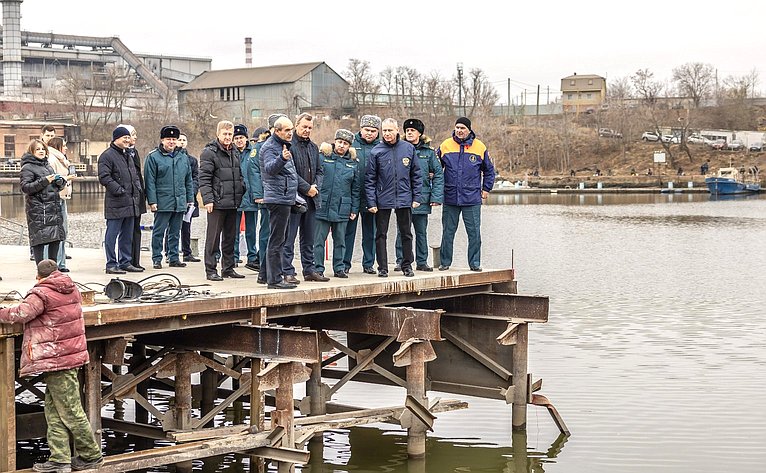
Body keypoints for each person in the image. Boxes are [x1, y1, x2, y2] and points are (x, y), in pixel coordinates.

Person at [0, 260, 103, 473]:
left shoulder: (41, 293)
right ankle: (60, 459)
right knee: (54, 411)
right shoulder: (71, 287)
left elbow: (21, 314)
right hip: (69, 356)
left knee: (71, 410)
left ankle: (92, 455)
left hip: (57, 359)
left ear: (39, 276)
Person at [436, 117, 496, 272]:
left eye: (462, 128)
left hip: (472, 198)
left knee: (474, 233)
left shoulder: (479, 147)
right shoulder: (445, 145)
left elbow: (489, 171)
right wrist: (435, 191)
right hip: (450, 197)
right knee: (448, 232)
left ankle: (474, 263)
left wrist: (486, 189)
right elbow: (435, 170)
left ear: (469, 129)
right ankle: (445, 262)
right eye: (457, 127)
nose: (459, 130)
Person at [365, 118, 422, 278]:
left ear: (397, 130)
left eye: (390, 130)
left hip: (404, 197)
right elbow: (370, 179)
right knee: (381, 234)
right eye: (384, 131)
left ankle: (407, 265)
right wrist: (371, 201)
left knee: (406, 233)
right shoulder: (376, 151)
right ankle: (382, 267)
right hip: (383, 198)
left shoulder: (408, 149)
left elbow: (416, 175)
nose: (387, 134)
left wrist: (417, 196)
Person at [394, 118, 443, 272]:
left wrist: (435, 197)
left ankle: (422, 262)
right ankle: (401, 260)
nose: (409, 133)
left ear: (419, 133)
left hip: (422, 198)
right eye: (407, 131)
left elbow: (438, 175)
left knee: (421, 232)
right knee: (402, 231)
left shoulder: (429, 153)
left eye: (412, 131)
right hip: (402, 198)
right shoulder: (398, 149)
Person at [199, 120, 246, 281]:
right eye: (225, 134)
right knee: (213, 238)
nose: (227, 137)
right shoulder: (209, 152)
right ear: (218, 134)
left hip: (233, 202)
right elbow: (204, 178)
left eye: (230, 134)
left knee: (230, 237)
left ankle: (228, 267)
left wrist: (242, 188)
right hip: (216, 202)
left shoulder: (235, 152)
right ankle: (210, 269)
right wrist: (208, 199)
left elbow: (239, 174)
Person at [284, 112, 328, 283]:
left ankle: (309, 270)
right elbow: (290, 172)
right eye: (304, 127)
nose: (307, 130)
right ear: (297, 126)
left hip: (312, 198)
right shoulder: (289, 146)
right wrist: (306, 188)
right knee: (289, 237)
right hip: (294, 199)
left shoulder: (313, 147)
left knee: (309, 237)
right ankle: (287, 270)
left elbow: (320, 170)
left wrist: (315, 187)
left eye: (310, 127)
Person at [144, 125, 194, 269]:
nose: (171, 142)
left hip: (179, 200)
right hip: (162, 200)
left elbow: (188, 180)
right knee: (159, 231)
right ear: (162, 140)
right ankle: (157, 258)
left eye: (174, 139)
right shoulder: (153, 157)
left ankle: (173, 257)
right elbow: (150, 181)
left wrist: (189, 199)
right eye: (168, 139)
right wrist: (152, 201)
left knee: (175, 232)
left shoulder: (183, 157)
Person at [314, 129, 361, 278]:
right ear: (335, 142)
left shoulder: (353, 163)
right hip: (323, 205)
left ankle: (339, 268)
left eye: (345, 143)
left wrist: (354, 208)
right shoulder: (323, 157)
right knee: (319, 240)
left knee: (340, 240)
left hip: (343, 207)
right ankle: (318, 268)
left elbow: (356, 189)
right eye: (340, 142)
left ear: (349, 146)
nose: (342, 146)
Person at [98, 126, 144, 274]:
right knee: (112, 235)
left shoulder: (128, 155)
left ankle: (125, 261)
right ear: (115, 138)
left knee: (127, 235)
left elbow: (135, 176)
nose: (127, 140)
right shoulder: (107, 156)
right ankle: (111, 263)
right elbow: (104, 177)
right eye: (124, 137)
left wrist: (137, 190)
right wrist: (119, 190)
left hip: (130, 202)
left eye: (128, 137)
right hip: (116, 202)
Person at [261, 116, 299, 289]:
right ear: (277, 131)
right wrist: (282, 159)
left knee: (279, 239)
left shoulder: (282, 145)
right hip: (278, 198)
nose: (290, 133)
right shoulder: (270, 147)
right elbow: (269, 169)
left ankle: (267, 276)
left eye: (291, 129)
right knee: (277, 240)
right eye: (286, 130)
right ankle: (274, 280)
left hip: (285, 197)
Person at [20, 139, 68, 265]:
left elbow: (56, 188)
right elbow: (26, 187)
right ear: (32, 151)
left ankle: (53, 272)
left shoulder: (48, 166)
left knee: (55, 239)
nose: (41, 151)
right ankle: (41, 272)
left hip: (53, 210)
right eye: (38, 149)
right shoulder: (27, 167)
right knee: (39, 241)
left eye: (43, 149)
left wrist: (60, 182)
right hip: (39, 211)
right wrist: (45, 180)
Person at [343, 115, 381, 275]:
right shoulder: (351, 143)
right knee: (347, 232)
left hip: (372, 196)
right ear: (360, 128)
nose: (370, 133)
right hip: (352, 195)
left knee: (370, 232)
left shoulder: (381, 146)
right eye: (367, 130)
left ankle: (368, 263)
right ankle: (344, 263)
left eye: (373, 131)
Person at [252, 116, 285, 285]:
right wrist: (259, 195)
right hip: (267, 197)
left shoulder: (284, 146)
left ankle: (265, 273)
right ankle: (265, 272)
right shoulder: (261, 147)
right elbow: (255, 173)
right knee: (267, 236)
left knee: (275, 236)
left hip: (278, 196)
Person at [121, 125, 148, 271]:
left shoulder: (134, 152)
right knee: (126, 230)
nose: (135, 137)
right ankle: (126, 260)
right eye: (132, 135)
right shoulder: (121, 153)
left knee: (136, 229)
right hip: (126, 198)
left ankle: (135, 260)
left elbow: (138, 175)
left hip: (137, 196)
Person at [46, 137, 73, 272]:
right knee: (55, 232)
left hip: (62, 197)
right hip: (55, 199)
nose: (66, 148)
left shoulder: (61, 159)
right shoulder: (52, 159)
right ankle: (52, 264)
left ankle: (60, 263)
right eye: (64, 145)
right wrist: (66, 178)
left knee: (63, 231)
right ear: (57, 146)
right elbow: (52, 179)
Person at [232, 124, 257, 267]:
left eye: (241, 137)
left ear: (246, 138)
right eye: (236, 138)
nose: (239, 140)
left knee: (251, 230)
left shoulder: (253, 152)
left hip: (251, 196)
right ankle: (234, 256)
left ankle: (252, 256)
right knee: (233, 230)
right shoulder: (231, 152)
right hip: (235, 196)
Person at [177, 133, 201, 262]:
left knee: (187, 226)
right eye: (179, 139)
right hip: (174, 198)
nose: (181, 142)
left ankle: (187, 252)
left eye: (184, 140)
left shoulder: (192, 160)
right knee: (172, 227)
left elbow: (196, 178)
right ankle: (171, 253)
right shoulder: (172, 158)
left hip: (189, 198)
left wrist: (191, 193)